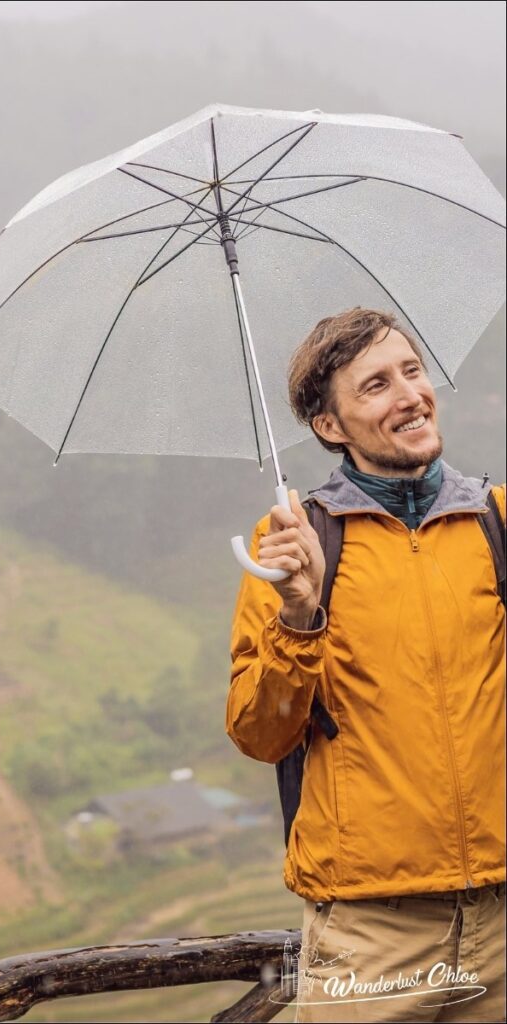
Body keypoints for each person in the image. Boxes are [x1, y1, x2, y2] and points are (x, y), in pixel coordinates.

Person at [225, 307, 506, 1023]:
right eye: (374, 385)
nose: (408, 395)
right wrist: (298, 613)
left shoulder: (495, 522)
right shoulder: (292, 542)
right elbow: (260, 734)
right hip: (371, 932)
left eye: (411, 371)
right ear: (330, 426)